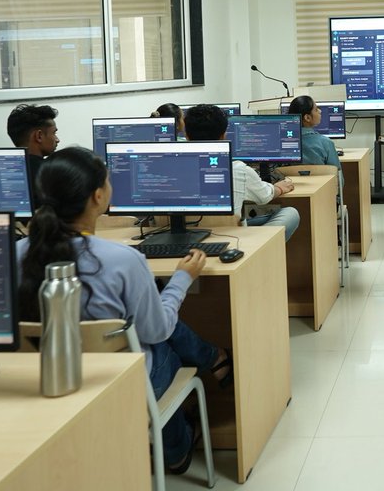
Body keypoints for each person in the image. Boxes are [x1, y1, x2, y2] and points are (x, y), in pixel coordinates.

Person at [16, 147, 231, 474]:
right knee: (162, 342)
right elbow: (157, 330)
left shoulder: (15, 254)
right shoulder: (122, 260)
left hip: (41, 381)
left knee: (146, 329)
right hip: (117, 385)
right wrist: (181, 279)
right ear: (98, 196)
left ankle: (214, 360)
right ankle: (176, 449)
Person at [182, 104, 301, 240]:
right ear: (223, 135)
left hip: (187, 237)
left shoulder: (171, 168)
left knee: (254, 219)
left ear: (186, 135)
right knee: (290, 213)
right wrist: (279, 187)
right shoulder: (238, 169)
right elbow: (264, 197)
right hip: (232, 238)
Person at [7, 104, 60, 207]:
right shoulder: (51, 174)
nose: (57, 139)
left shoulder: (5, 170)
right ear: (39, 136)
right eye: (54, 133)